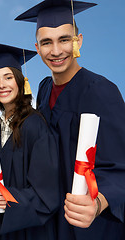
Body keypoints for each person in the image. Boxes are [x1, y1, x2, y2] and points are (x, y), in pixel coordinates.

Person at [15, 1, 125, 239]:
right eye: (46, 42)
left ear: (79, 41)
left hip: (91, 224)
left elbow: (120, 165)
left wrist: (98, 203)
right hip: (52, 219)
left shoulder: (101, 91)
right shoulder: (44, 89)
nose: (56, 51)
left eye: (64, 39)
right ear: (37, 47)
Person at [0, 42, 59, 240]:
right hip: (2, 227)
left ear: (21, 82)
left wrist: (12, 201)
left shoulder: (34, 125)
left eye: (8, 77)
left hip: (32, 231)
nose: (1, 85)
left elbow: (48, 191)